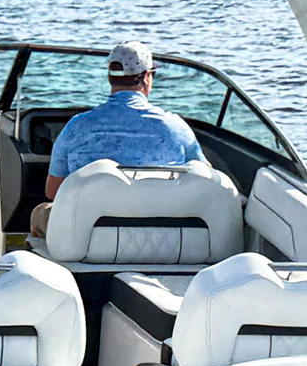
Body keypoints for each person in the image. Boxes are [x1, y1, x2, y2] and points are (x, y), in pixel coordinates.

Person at [30, 40, 207, 237]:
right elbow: (204, 179)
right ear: (146, 77)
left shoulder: (76, 127)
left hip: (86, 238)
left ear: (110, 78)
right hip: (163, 237)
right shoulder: (176, 127)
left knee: (41, 213)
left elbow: (53, 191)